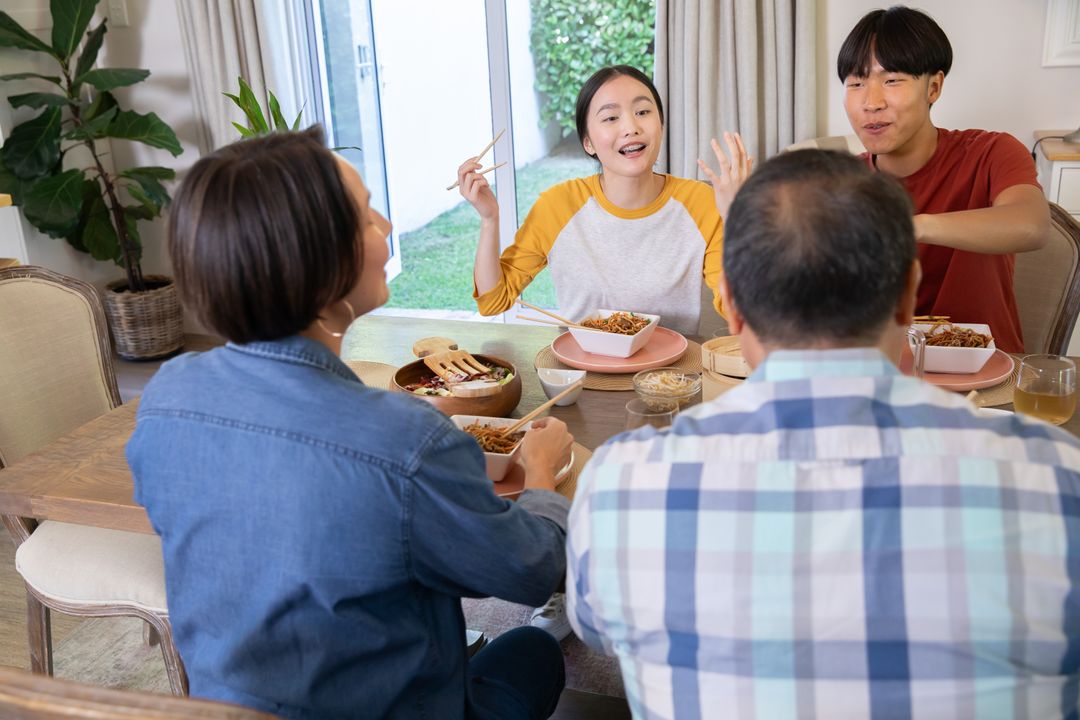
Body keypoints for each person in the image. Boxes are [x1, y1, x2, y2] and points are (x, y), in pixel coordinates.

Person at [566, 149, 1080, 717]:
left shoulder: (620, 485)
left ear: (732, 305)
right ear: (909, 294)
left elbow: (599, 633)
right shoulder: (1058, 479)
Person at [127, 128, 574, 720]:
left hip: (230, 708)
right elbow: (533, 569)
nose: (387, 227)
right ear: (314, 258)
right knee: (535, 650)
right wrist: (540, 473)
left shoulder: (165, 398)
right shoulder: (405, 441)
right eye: (367, 215)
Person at [457, 64, 751, 337]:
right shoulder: (558, 206)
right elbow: (493, 301)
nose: (630, 127)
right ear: (588, 143)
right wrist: (489, 219)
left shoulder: (701, 203)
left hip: (669, 382)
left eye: (643, 112)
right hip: (582, 373)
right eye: (611, 118)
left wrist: (734, 219)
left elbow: (740, 312)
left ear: (661, 124)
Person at [838, 5, 1049, 353]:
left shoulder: (990, 152)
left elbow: (1032, 225)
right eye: (856, 83)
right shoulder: (844, 181)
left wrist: (909, 228)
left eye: (891, 80)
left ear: (933, 87)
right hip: (881, 372)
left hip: (986, 373)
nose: (870, 102)